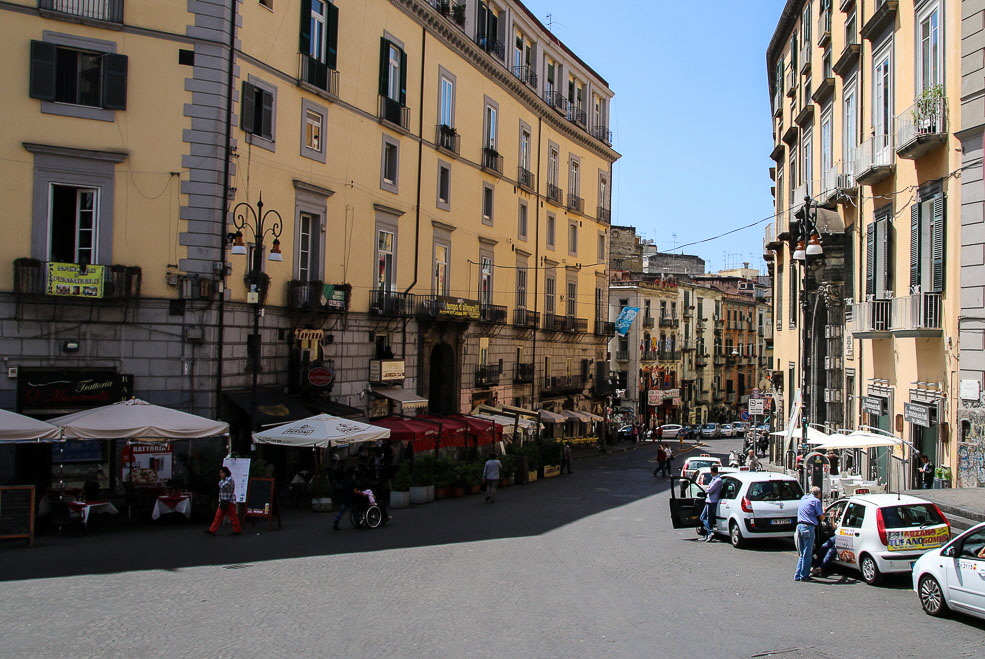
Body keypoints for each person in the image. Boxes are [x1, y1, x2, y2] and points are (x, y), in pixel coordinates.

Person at [795, 486, 825, 581]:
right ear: (819, 494)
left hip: (799, 527)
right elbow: (821, 518)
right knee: (808, 554)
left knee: (802, 553)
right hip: (808, 527)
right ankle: (804, 576)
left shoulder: (804, 498)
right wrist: (824, 513)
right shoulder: (816, 501)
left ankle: (798, 575)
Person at [205, 466, 241, 536]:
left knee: (233, 516)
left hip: (229, 500)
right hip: (223, 500)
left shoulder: (229, 479)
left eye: (221, 472)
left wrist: (221, 480)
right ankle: (212, 530)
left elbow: (222, 486)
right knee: (218, 516)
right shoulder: (226, 479)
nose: (220, 474)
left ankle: (237, 530)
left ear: (225, 472)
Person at [700, 465, 724, 542]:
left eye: (711, 471)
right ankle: (707, 535)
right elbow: (709, 487)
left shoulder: (718, 480)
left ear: (712, 472)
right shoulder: (714, 479)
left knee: (705, 518)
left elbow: (709, 490)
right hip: (709, 500)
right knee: (704, 518)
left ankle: (710, 532)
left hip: (712, 501)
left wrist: (708, 489)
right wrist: (708, 488)